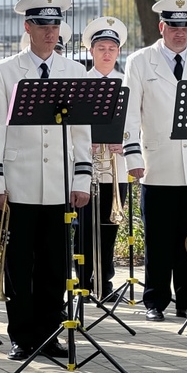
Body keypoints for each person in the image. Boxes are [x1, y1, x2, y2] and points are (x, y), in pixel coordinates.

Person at [0, 0, 92, 360]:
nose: (51, 32)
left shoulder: (75, 72)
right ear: (28, 26)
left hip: (60, 184)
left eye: (56, 24)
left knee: (54, 265)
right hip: (20, 182)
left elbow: (82, 133)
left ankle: (49, 334)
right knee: (18, 265)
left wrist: (81, 180)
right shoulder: (5, 71)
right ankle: (21, 335)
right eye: (43, 24)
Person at [123, 0, 187, 322]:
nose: (180, 32)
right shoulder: (140, 61)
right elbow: (130, 114)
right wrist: (132, 154)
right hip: (156, 164)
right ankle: (155, 301)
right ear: (162, 27)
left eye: (186, 26)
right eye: (174, 26)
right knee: (158, 238)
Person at [77, 16, 129, 299]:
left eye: (112, 48)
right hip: (89, 168)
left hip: (116, 168)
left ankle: (105, 284)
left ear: (118, 52)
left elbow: (136, 125)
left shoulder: (126, 84)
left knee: (110, 229)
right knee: (84, 229)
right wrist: (89, 143)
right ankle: (84, 283)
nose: (107, 53)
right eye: (101, 48)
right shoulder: (81, 84)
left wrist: (127, 142)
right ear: (91, 52)